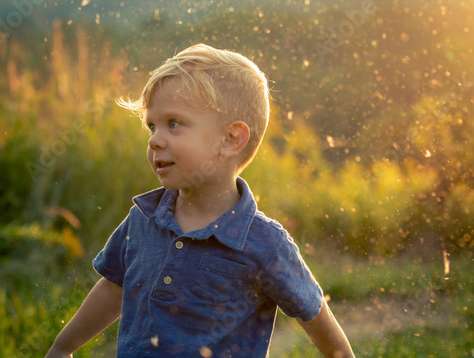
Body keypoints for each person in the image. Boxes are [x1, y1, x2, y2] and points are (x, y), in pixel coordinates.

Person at [45, 43, 354, 358]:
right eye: (152, 125)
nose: (154, 139)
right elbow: (114, 287)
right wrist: (62, 347)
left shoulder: (265, 244)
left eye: (174, 124)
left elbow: (316, 319)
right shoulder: (143, 219)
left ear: (231, 139)